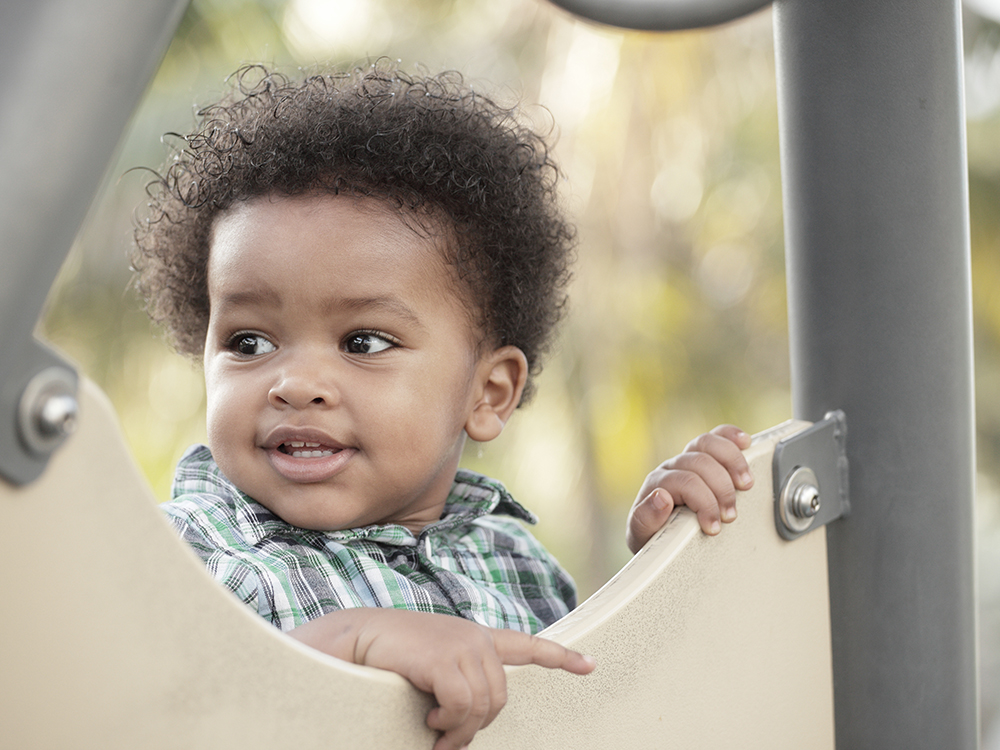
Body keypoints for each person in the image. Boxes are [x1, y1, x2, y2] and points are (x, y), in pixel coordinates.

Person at [131, 61, 753, 750]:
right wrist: (343, 644)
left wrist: (660, 571)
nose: (295, 383)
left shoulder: (515, 561)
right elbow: (142, 718)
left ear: (488, 395)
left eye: (362, 341)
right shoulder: (187, 554)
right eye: (249, 341)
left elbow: (600, 719)